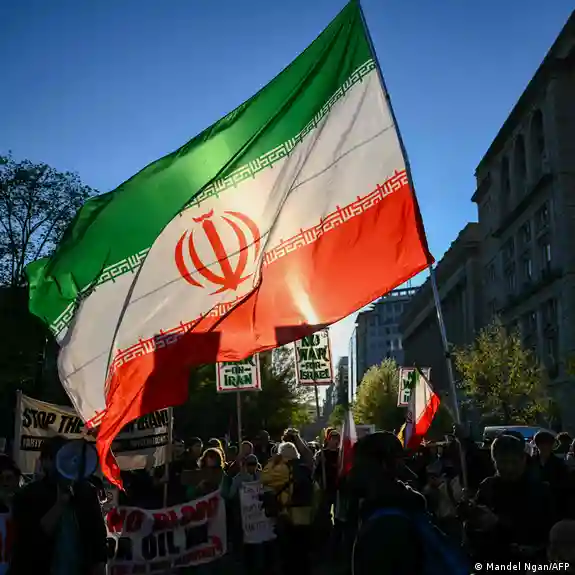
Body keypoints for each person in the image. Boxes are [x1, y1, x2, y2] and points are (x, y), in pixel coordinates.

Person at [9, 436, 107, 575]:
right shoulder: (28, 495)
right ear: (45, 462)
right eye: (60, 458)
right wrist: (60, 504)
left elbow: (98, 536)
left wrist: (100, 564)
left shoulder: (86, 492)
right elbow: (30, 540)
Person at [347, 432, 428, 575]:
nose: (353, 470)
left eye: (359, 462)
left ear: (383, 464)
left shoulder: (387, 523)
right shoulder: (390, 506)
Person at [467, 434, 556, 563]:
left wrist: (498, 522)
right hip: (492, 561)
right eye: (503, 462)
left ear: (523, 459)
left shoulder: (540, 490)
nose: (509, 468)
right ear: (494, 461)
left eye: (514, 462)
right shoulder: (488, 487)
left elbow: (542, 530)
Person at [261, 440, 314, 575]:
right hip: (305, 514)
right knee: (302, 551)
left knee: (287, 552)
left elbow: (264, 477)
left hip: (288, 514)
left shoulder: (282, 468)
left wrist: (273, 461)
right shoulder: (304, 468)